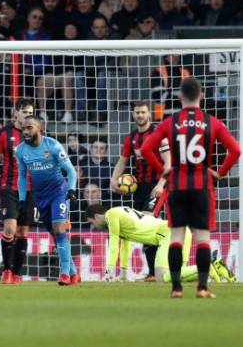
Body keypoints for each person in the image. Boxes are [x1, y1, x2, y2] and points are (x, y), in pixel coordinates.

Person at [141, 77, 241, 298]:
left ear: (179, 97)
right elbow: (235, 150)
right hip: (201, 187)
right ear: (201, 96)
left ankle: (176, 288)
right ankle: (202, 288)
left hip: (177, 186)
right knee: (202, 238)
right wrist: (220, 172)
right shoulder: (211, 122)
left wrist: (164, 169)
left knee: (176, 237)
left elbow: (147, 148)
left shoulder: (171, 122)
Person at [86, 205, 234, 284]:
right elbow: (123, 246)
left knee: (161, 277)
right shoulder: (120, 213)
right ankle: (216, 268)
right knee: (179, 277)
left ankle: (208, 265)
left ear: (97, 216)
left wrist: (108, 275)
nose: (94, 226)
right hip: (180, 231)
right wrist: (123, 275)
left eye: (92, 222)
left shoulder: (111, 215)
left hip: (168, 234)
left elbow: (113, 247)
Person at [110, 100, 170, 281]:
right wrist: (113, 180)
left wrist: (161, 185)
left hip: (158, 185)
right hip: (139, 188)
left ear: (149, 114)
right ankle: (152, 272)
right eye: (137, 113)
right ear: (133, 114)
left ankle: (156, 270)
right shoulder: (131, 138)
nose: (140, 115)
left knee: (147, 223)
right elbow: (122, 160)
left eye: (143, 112)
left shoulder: (160, 135)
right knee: (141, 228)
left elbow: (169, 162)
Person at [16, 116, 79, 285]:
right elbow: (22, 176)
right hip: (40, 197)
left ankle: (65, 273)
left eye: (29, 128)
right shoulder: (21, 150)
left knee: (59, 230)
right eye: (23, 128)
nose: (25, 132)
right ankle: (74, 273)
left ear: (40, 129)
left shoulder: (52, 146)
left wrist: (71, 190)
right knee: (56, 235)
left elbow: (71, 171)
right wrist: (22, 200)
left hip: (59, 192)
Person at [0, 99, 35, 284]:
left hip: (30, 189)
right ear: (16, 113)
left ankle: (17, 273)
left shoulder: (36, 132)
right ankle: (6, 270)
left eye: (31, 112)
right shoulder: (4, 134)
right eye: (25, 112)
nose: (28, 116)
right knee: (10, 228)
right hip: (9, 188)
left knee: (22, 232)